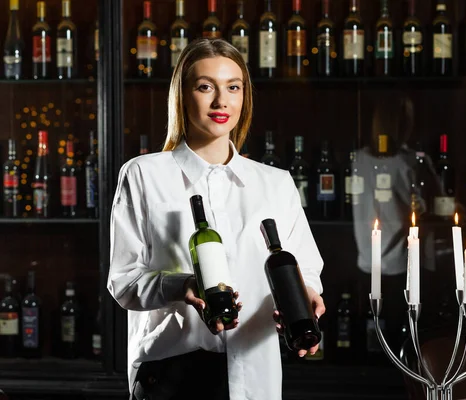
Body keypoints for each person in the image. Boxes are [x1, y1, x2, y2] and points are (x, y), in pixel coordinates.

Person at [107, 38, 326, 400]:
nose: (221, 101)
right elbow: (123, 281)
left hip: (255, 376)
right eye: (205, 86)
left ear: (245, 96)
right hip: (169, 374)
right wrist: (181, 286)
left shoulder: (275, 183)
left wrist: (308, 297)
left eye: (233, 87)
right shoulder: (143, 174)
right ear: (182, 95)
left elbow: (306, 270)